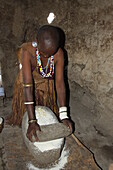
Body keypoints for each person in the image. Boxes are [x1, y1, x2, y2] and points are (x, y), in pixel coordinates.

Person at [7, 25, 73, 142]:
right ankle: (27, 118)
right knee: (24, 117)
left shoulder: (59, 54)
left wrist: (64, 116)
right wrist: (32, 121)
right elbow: (28, 85)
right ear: (36, 42)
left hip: (46, 80)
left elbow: (59, 84)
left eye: (51, 54)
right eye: (43, 53)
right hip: (27, 81)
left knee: (46, 113)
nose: (47, 56)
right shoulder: (27, 51)